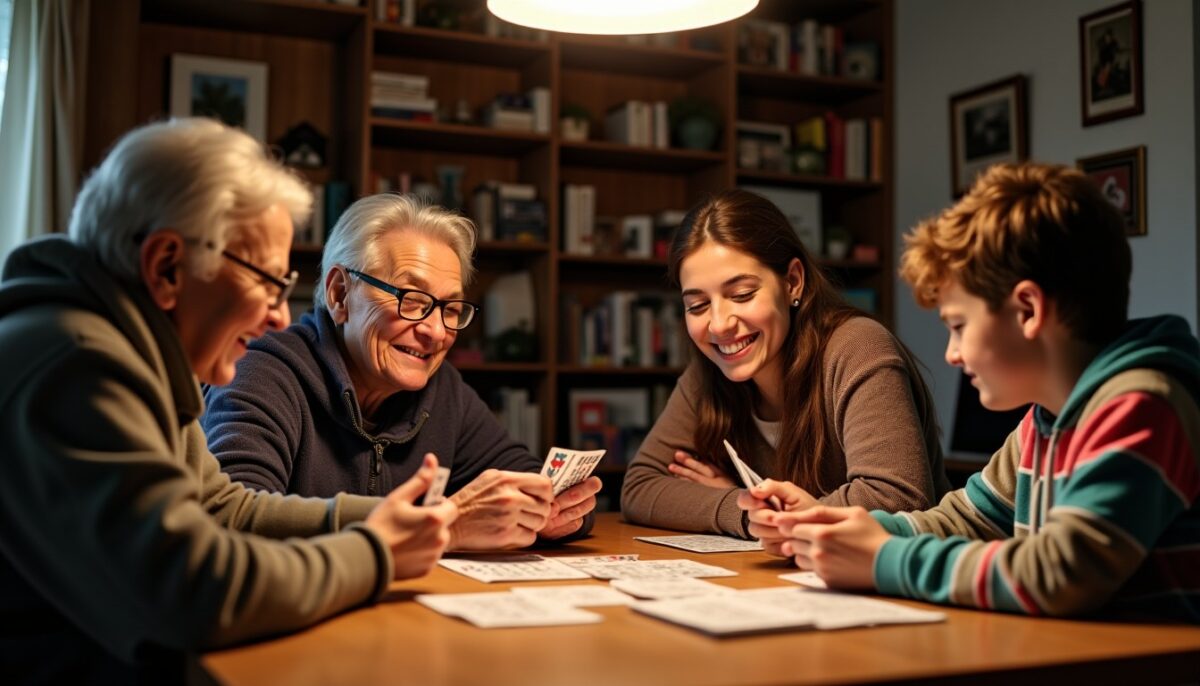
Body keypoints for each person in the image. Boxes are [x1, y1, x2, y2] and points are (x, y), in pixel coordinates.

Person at [0, 118, 459, 682]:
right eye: (266, 281)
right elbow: (192, 591)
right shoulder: (77, 366)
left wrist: (389, 520)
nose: (281, 314)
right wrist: (374, 554)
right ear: (167, 266)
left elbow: (223, 510)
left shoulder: (130, 353)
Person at [767, 163, 1200, 621]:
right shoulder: (1044, 420)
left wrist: (881, 560)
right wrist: (857, 529)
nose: (952, 354)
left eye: (958, 325)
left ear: (1028, 309)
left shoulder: (1143, 406)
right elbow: (969, 519)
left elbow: (1058, 573)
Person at [202, 193, 600, 549]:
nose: (437, 331)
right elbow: (232, 521)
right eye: (412, 300)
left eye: (450, 308)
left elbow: (525, 478)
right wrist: (446, 522)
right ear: (340, 294)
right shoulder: (261, 371)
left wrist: (555, 514)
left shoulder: (442, 388)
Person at [621, 189, 949, 544]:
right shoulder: (708, 371)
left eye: (742, 295)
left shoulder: (857, 346)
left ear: (792, 281)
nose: (718, 324)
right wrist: (744, 509)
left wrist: (768, 512)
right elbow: (640, 487)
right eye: (697, 305)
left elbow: (897, 500)